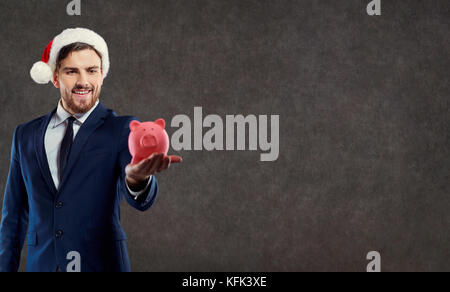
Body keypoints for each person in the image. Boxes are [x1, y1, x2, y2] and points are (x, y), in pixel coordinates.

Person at [0, 28, 182, 272]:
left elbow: (141, 199)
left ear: (102, 75)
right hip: (42, 265)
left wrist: (137, 180)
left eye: (91, 70)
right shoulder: (25, 135)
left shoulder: (122, 129)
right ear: (55, 77)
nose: (83, 81)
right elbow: (13, 216)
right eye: (71, 71)